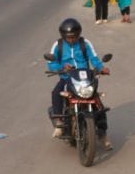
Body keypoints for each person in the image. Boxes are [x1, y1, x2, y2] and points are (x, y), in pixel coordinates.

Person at [45, 17, 110, 150]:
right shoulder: (58, 45)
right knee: (56, 92)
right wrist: (61, 67)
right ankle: (59, 122)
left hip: (86, 78)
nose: (71, 39)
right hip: (67, 78)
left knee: (98, 103)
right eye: (68, 37)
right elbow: (51, 62)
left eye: (74, 36)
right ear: (63, 36)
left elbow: (94, 58)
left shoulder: (85, 43)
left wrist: (101, 68)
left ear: (78, 34)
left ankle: (102, 134)